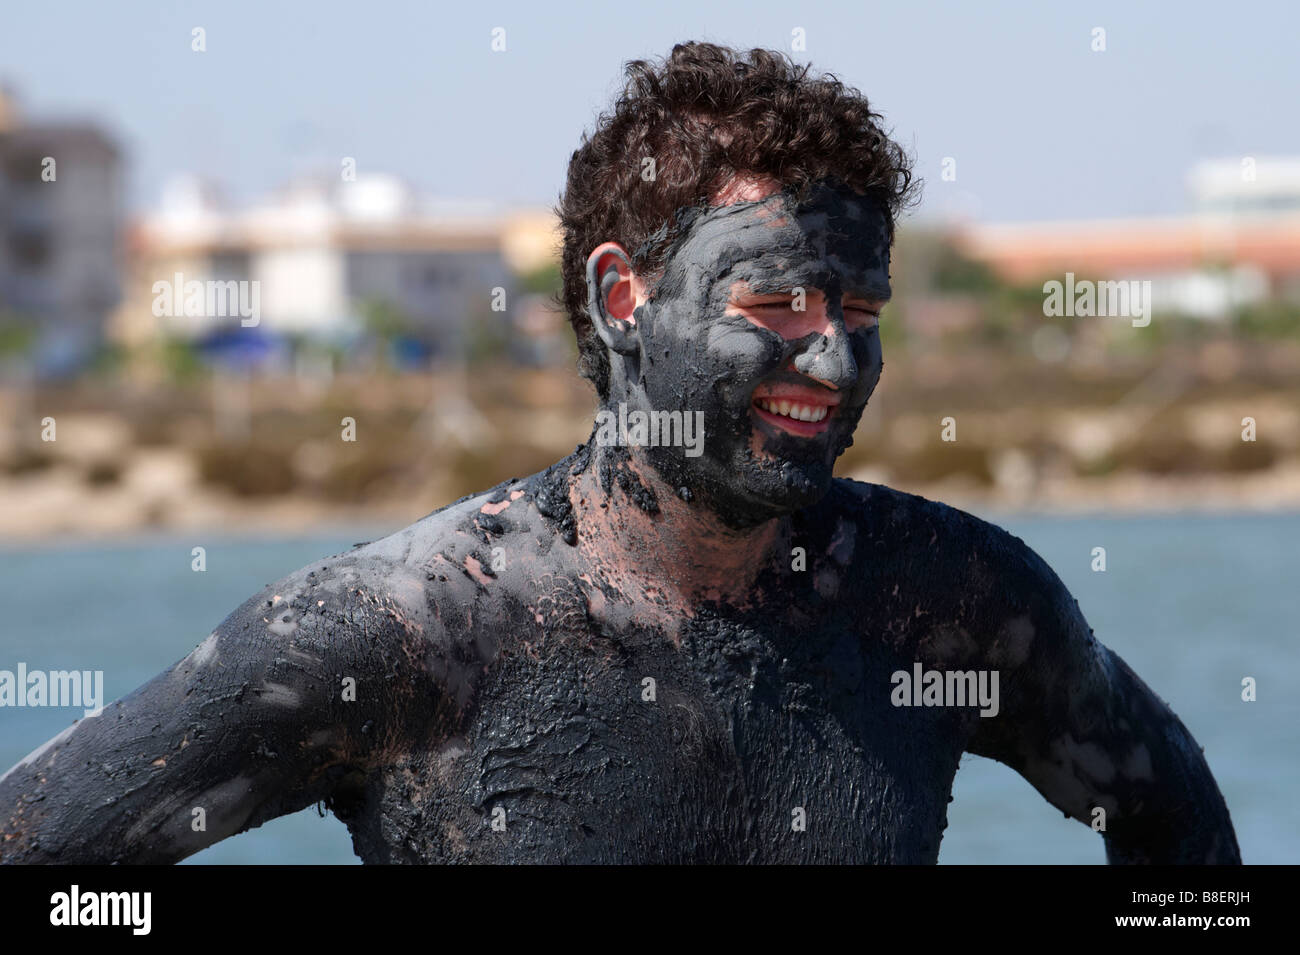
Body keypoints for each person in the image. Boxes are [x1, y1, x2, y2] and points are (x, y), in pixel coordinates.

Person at [0, 42, 1239, 864]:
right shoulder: (403, 634)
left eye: (859, 318)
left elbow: (1173, 824)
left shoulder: (947, 607)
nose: (832, 362)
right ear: (623, 296)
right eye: (774, 310)